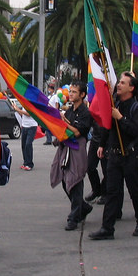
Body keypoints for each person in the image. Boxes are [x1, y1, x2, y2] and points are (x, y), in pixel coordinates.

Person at [88, 73, 138, 240]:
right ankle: (107, 227)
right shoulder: (115, 105)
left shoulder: (136, 108)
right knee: (112, 192)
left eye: (123, 83)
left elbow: (136, 130)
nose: (119, 85)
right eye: (119, 82)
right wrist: (101, 144)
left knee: (135, 190)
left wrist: (120, 118)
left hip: (131, 156)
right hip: (114, 156)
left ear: (131, 88)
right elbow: (107, 127)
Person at [51, 82, 93, 230]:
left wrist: (64, 123)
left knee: (75, 181)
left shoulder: (85, 113)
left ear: (82, 95)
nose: (71, 94)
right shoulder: (69, 111)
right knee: (64, 180)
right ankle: (83, 207)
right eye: (71, 91)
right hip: (66, 148)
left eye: (75, 92)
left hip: (77, 149)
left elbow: (77, 132)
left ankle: (74, 217)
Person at [10, 98, 37, 170]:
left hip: (32, 126)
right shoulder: (24, 106)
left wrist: (18, 109)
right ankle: (25, 162)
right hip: (24, 126)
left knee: (28, 144)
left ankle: (30, 164)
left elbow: (29, 114)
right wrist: (16, 108)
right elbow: (22, 114)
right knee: (23, 145)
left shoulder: (32, 105)